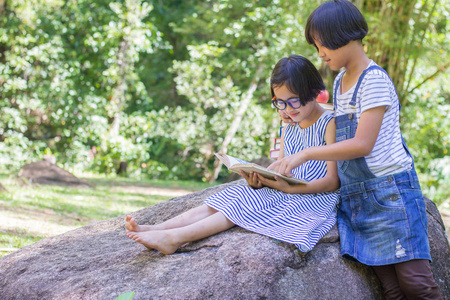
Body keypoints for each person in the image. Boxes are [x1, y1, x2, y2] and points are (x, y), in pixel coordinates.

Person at [270, 1, 442, 299]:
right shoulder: (339, 83)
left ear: (343, 35)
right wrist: (290, 115)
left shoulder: (373, 80)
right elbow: (327, 121)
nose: (320, 54)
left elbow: (362, 144)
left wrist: (306, 154)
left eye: (322, 45)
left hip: (391, 195)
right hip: (359, 196)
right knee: (390, 289)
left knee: (416, 283)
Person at [125, 55, 340, 256]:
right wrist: (262, 179)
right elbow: (280, 164)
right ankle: (157, 228)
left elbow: (332, 181)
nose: (286, 110)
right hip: (286, 188)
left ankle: (174, 238)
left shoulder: (329, 122)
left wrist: (290, 189)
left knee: (245, 205)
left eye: (292, 101)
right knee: (229, 197)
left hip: (312, 196)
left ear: (313, 92)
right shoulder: (289, 122)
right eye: (279, 103)